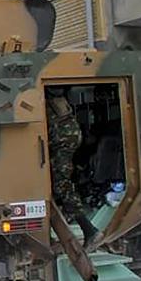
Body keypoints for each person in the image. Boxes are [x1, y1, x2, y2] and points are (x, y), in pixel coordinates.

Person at [46, 89, 100, 246]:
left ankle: (89, 230)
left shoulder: (47, 102)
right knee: (60, 182)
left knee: (61, 185)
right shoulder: (57, 100)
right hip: (68, 139)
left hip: (62, 141)